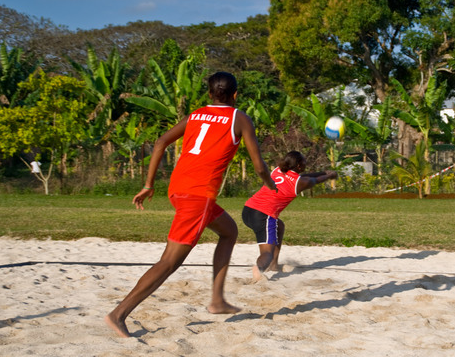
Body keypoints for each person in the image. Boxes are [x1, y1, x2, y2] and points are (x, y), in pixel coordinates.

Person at [105, 72, 277, 338]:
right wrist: (270, 183)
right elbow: (258, 166)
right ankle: (119, 314)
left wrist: (149, 185)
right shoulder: (239, 118)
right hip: (197, 196)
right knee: (169, 262)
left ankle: (217, 300)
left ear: (209, 94)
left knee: (229, 231)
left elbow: (161, 142)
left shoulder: (196, 114)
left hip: (178, 188)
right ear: (235, 94)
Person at [242, 151, 337, 280]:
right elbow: (313, 180)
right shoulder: (301, 182)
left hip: (248, 210)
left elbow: (304, 177)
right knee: (267, 253)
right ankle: (259, 269)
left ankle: (273, 265)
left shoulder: (278, 170)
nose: (306, 163)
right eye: (304, 161)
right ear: (298, 166)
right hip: (263, 215)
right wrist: (329, 176)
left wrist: (324, 173)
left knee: (279, 226)